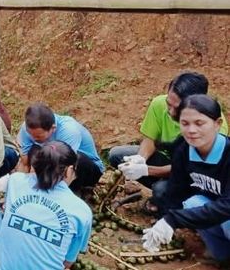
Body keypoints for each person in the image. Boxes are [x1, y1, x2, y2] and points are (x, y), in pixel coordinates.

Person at [110, 72, 228, 214]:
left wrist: (147, 170)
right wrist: (140, 159)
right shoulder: (159, 104)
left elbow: (191, 169)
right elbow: (150, 140)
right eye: (168, 104)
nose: (170, 111)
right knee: (118, 155)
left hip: (197, 179)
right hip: (169, 160)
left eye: (176, 108)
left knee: (161, 190)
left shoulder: (212, 125)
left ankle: (175, 204)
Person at [0, 141, 92, 270]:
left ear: (35, 164)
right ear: (70, 170)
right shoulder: (82, 211)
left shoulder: (16, 181)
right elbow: (67, 263)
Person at [142, 95, 230, 263]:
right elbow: (176, 190)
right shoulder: (184, 150)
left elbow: (227, 206)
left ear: (217, 124)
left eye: (199, 123)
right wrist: (164, 221)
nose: (191, 130)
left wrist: (174, 219)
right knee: (192, 202)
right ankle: (223, 255)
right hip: (218, 211)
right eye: (185, 123)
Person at [16, 103, 104, 191]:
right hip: (55, 162)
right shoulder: (28, 128)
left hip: (85, 169)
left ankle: (67, 193)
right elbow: (25, 162)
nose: (33, 138)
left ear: (53, 128)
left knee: (77, 159)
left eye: (38, 136)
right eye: (30, 134)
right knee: (34, 150)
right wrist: (21, 188)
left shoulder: (69, 131)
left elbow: (64, 167)